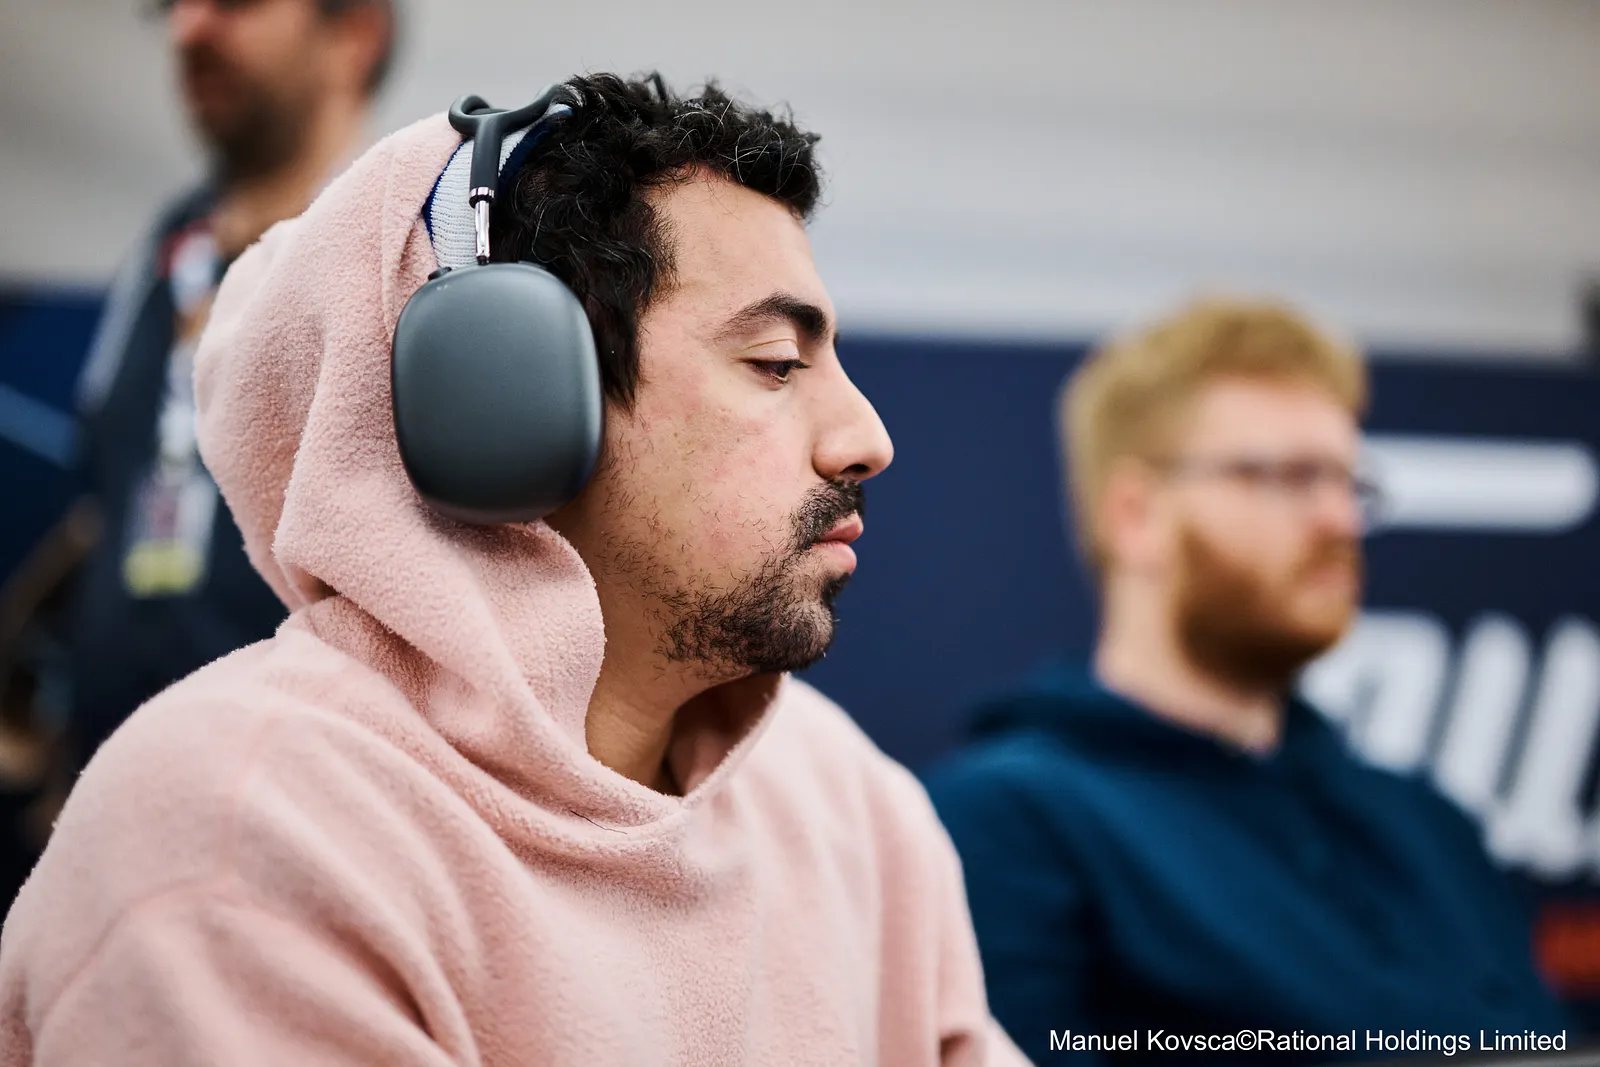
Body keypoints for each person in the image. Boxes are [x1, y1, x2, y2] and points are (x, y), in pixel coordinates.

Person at [0, 74, 1028, 1065]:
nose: (868, 439)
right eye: (775, 363)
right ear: (507, 401)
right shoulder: (243, 832)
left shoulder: (845, 802)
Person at [925, 298, 1571, 1064]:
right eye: (1290, 477)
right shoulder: (1006, 822)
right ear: (1136, 515)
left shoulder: (1431, 827)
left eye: (1348, 482)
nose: (1340, 519)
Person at [7, 0, 396, 788]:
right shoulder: (166, 249)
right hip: (114, 790)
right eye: (175, 7)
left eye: (233, 4)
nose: (187, 30)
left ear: (355, 33)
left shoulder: (397, 258)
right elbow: (108, 492)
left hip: (304, 806)